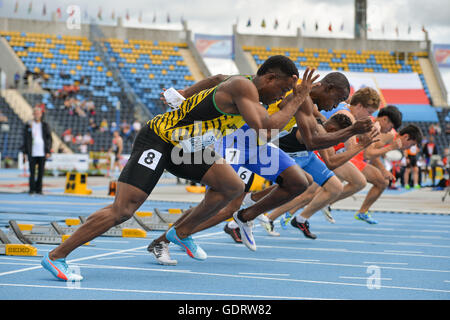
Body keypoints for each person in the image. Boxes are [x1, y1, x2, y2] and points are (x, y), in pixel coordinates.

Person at [40, 55, 316, 281]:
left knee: (232, 186)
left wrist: (186, 92)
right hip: (160, 139)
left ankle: (180, 233)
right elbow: (265, 130)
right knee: (123, 210)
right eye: (281, 90)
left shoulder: (239, 82)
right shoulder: (245, 88)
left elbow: (217, 78)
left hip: (187, 148)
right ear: (269, 78)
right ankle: (56, 256)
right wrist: (297, 97)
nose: (279, 97)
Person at [148, 72, 376, 262]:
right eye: (339, 98)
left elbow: (316, 135)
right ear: (328, 87)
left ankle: (246, 215)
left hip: (259, 147)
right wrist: (185, 94)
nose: (337, 105)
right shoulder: (291, 90)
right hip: (234, 142)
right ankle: (164, 241)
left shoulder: (310, 105)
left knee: (301, 181)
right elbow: (221, 78)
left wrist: (341, 129)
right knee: (223, 205)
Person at [22, 107, 52, 195]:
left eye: (38, 113)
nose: (37, 115)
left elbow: (49, 138)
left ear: (41, 114)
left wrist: (48, 151)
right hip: (32, 152)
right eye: (35, 113)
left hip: (42, 152)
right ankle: (32, 189)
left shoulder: (45, 125)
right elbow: (25, 139)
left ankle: (39, 189)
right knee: (32, 172)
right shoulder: (28, 125)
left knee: (41, 172)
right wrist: (25, 152)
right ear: (33, 114)